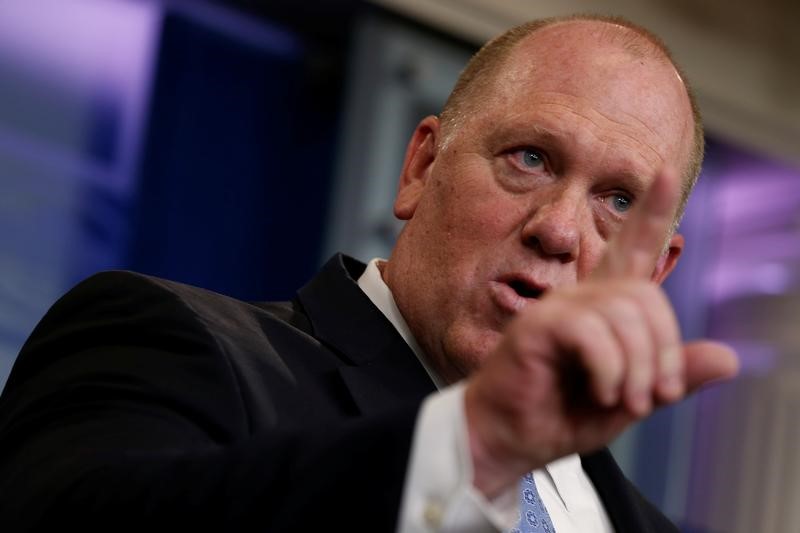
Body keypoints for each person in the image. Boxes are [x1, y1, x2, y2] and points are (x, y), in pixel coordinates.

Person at [0, 14, 737, 532]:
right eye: (530, 157)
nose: (559, 229)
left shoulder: (640, 522)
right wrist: (471, 450)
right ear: (420, 165)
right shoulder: (171, 343)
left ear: (655, 270)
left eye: (618, 201)